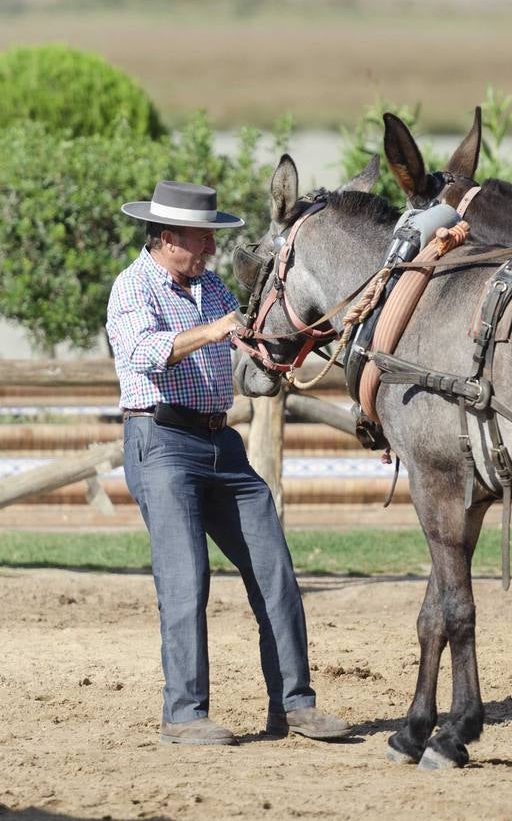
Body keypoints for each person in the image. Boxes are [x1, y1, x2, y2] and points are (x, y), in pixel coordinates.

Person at [105, 180, 349, 747]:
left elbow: (245, 350)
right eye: (202, 238)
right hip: (161, 440)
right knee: (185, 578)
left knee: (275, 573)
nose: (212, 249)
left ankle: (294, 705)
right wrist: (213, 330)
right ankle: (184, 714)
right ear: (167, 238)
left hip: (220, 444)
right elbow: (144, 354)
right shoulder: (132, 288)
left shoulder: (210, 286)